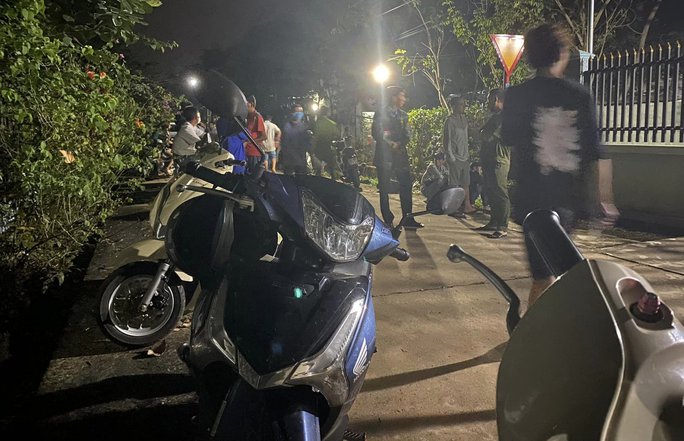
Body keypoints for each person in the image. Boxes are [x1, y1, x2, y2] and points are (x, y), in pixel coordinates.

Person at [501, 23, 619, 307]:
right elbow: (596, 152)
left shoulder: (516, 95)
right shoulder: (579, 95)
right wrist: (604, 200)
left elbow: (509, 139)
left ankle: (535, 326)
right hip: (567, 202)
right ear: (562, 52)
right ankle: (537, 328)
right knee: (550, 275)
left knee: (544, 275)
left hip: (531, 201)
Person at [372, 85, 422, 229]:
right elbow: (377, 132)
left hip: (400, 155)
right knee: (384, 187)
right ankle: (387, 218)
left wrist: (400, 143)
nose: (404, 99)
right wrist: (390, 143)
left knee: (406, 184)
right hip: (384, 155)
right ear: (393, 97)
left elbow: (408, 134)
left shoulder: (404, 115)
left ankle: (408, 217)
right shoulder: (381, 113)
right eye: (401, 95)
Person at [478, 88, 510, 239]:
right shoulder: (496, 117)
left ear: (497, 99)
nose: (487, 103)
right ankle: (494, 221)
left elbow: (486, 135)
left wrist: (481, 133)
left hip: (499, 159)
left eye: (489, 99)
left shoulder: (503, 118)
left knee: (500, 192)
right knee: (491, 190)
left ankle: (502, 226)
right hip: (490, 158)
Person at [443, 95, 476, 217]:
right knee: (454, 184)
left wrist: (467, 154)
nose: (463, 107)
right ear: (454, 106)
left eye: (463, 104)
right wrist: (451, 156)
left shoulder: (464, 119)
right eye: (460, 104)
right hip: (455, 157)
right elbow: (447, 140)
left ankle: (467, 205)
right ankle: (453, 208)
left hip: (465, 156)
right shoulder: (449, 121)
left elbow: (466, 137)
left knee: (466, 183)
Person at [280, 104, 312, 175]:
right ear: (291, 113)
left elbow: (308, 144)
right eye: (297, 112)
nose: (299, 114)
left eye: (301, 112)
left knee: (301, 179)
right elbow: (283, 143)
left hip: (301, 161)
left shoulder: (305, 127)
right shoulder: (286, 126)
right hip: (288, 161)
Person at [172, 106, 206, 173]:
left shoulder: (192, 126)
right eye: (199, 116)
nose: (200, 118)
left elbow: (204, 135)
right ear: (195, 118)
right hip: (182, 158)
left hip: (187, 155)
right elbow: (200, 141)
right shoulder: (186, 128)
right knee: (205, 161)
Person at [312, 105, 339, 179]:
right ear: (327, 112)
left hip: (319, 147)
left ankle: (317, 180)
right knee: (331, 166)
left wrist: (312, 148)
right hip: (328, 146)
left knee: (318, 168)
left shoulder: (317, 123)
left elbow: (315, 136)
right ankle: (333, 179)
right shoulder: (332, 124)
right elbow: (337, 135)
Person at [244, 95, 267, 172]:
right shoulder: (247, 116)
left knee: (253, 174)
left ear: (251, 104)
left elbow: (264, 136)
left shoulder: (257, 117)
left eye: (246, 103)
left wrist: (249, 142)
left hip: (254, 152)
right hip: (246, 151)